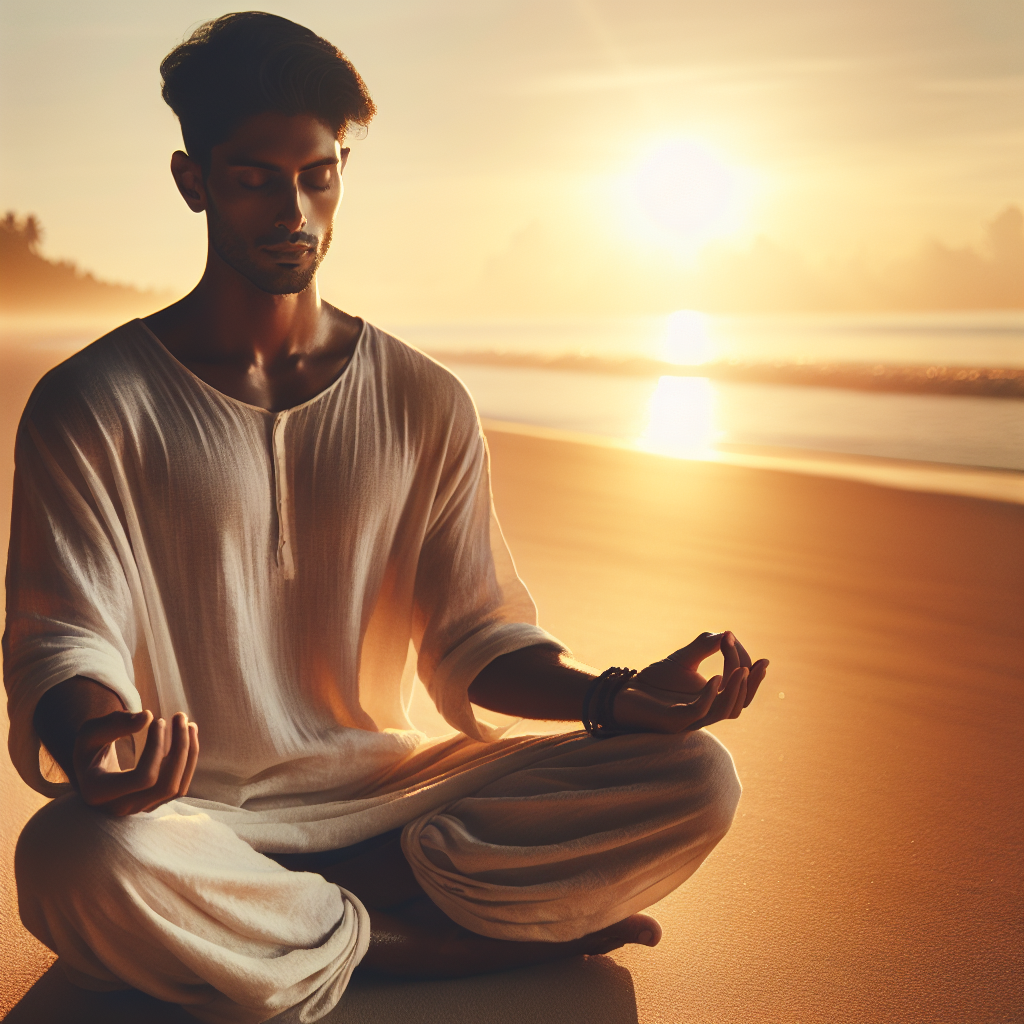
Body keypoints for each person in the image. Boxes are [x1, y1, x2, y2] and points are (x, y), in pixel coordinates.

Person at [4, 12, 768, 1024]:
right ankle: (419, 944)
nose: (293, 208)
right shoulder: (92, 403)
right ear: (192, 181)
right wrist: (107, 746)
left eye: (317, 175)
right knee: (69, 858)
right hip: (192, 819)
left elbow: (473, 637)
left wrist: (619, 697)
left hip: (400, 801)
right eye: (253, 177)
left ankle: (299, 933)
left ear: (342, 167)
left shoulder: (424, 399)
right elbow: (64, 635)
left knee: (698, 779)